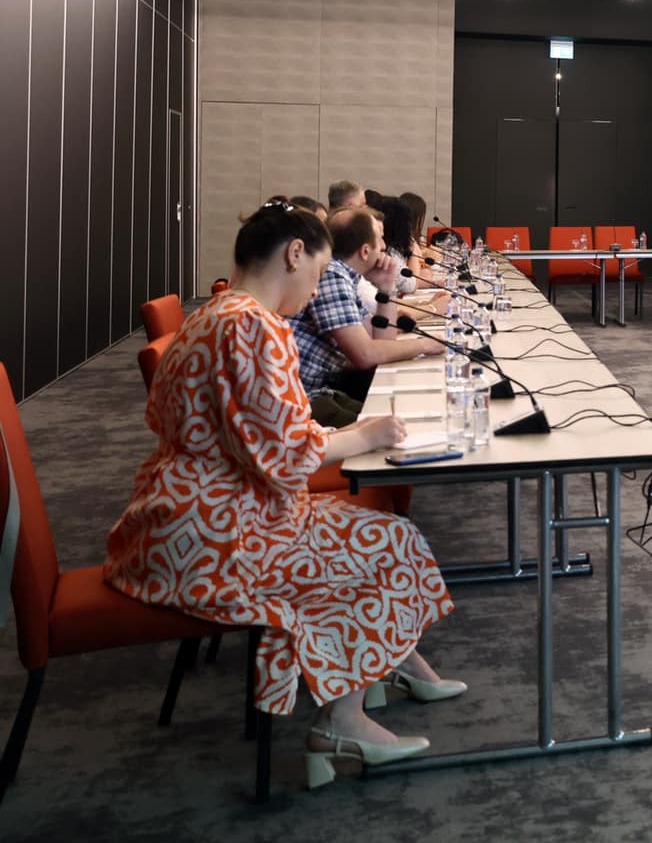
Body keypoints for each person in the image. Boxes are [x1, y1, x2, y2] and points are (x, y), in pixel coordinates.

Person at [105, 203, 458, 784]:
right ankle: (344, 719)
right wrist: (366, 434)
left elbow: (256, 435)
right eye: (316, 276)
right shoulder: (253, 325)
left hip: (178, 515)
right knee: (380, 541)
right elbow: (288, 451)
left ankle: (361, 692)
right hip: (210, 537)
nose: (316, 290)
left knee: (374, 534)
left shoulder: (215, 313)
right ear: (294, 254)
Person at [291, 206, 433, 417]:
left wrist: (386, 287)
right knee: (400, 422)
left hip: (322, 390)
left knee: (403, 412)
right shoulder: (332, 275)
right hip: (303, 400)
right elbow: (365, 355)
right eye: (380, 239)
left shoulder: (346, 276)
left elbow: (383, 341)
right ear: (365, 251)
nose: (384, 246)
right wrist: (425, 345)